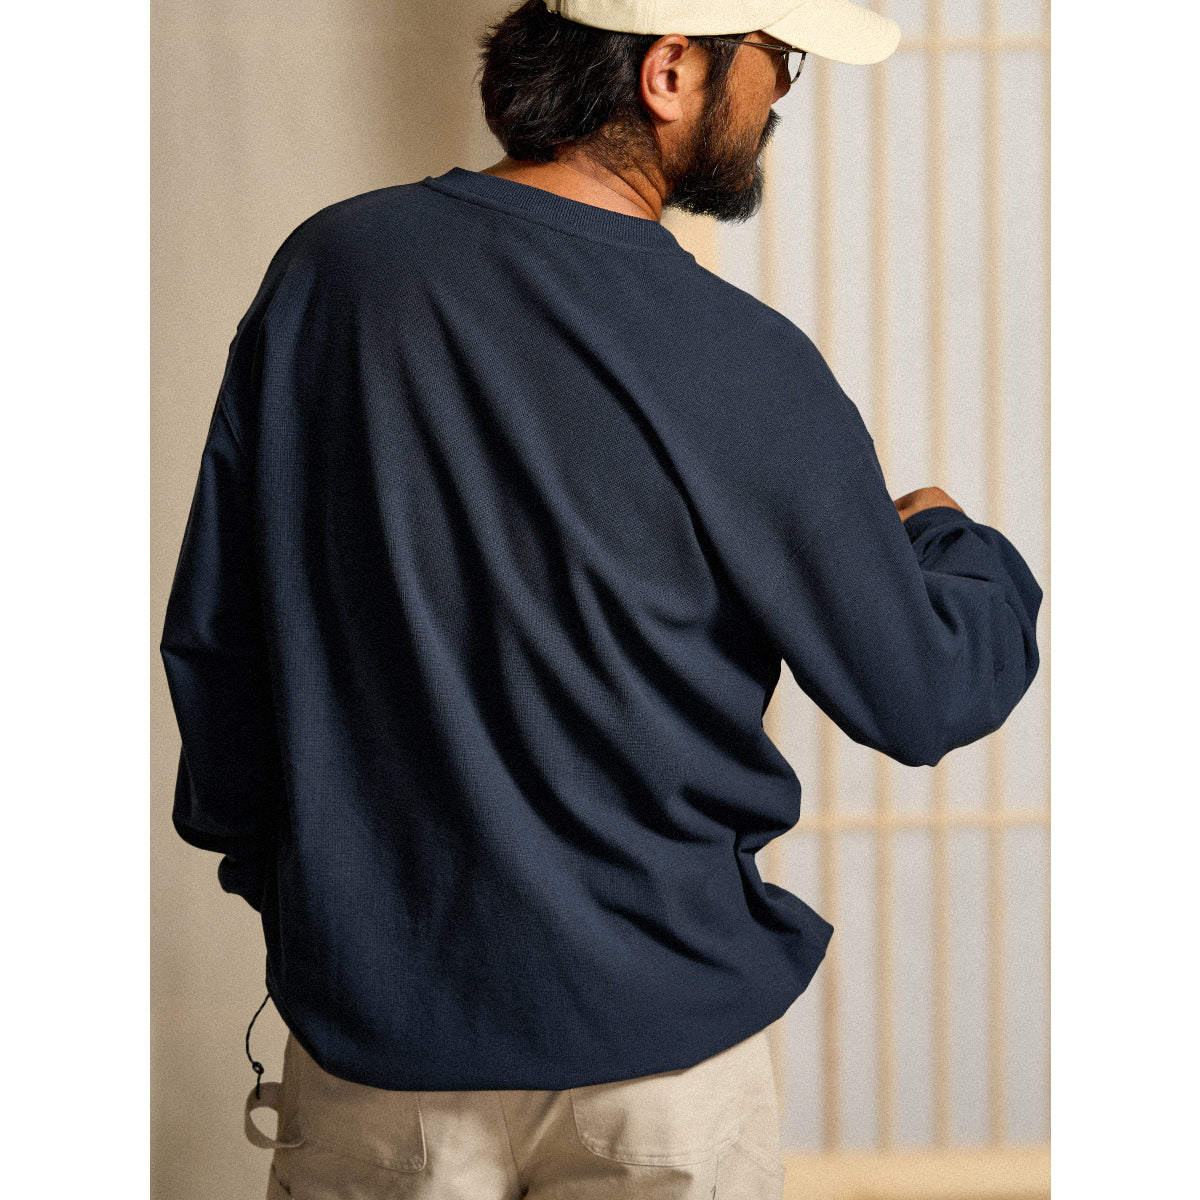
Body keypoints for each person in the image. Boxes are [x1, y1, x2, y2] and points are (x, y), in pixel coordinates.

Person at [159, 1, 1043, 1196]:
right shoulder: (744, 360)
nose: (781, 93)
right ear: (671, 72)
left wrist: (326, 914)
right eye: (777, 59)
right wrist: (949, 540)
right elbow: (925, 691)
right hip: (661, 1058)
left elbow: (219, 642)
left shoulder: (335, 272)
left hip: (379, 1050)